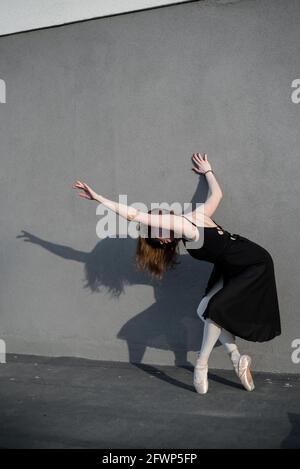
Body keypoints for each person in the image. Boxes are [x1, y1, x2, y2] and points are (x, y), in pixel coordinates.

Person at [72, 152, 281, 395]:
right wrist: (209, 173)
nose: (163, 225)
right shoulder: (192, 220)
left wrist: (98, 198)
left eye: (160, 221)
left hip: (252, 262)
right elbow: (216, 195)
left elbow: (135, 215)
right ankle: (236, 358)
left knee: (215, 310)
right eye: (159, 229)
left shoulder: (186, 222)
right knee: (204, 309)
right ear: (162, 241)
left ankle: (201, 365)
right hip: (234, 263)